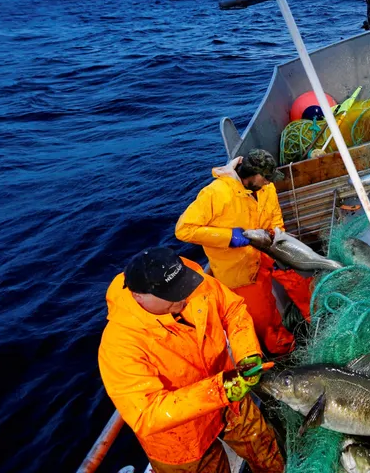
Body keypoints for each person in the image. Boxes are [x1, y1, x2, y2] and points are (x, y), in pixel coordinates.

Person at [98, 247, 284, 473]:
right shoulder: (119, 345)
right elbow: (146, 412)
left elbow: (232, 309)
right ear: (139, 296)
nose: (184, 296)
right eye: (173, 294)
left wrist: (247, 354)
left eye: (183, 286)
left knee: (265, 449)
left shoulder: (190, 279)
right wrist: (219, 390)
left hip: (230, 397)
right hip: (182, 440)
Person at [175, 149, 313, 356]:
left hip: (268, 251)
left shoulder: (267, 189)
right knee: (264, 316)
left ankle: (317, 317)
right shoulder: (216, 193)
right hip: (239, 270)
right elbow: (183, 229)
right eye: (266, 178)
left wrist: (279, 244)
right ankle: (283, 349)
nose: (269, 183)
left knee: (300, 280)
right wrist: (229, 237)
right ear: (253, 175)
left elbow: (275, 218)